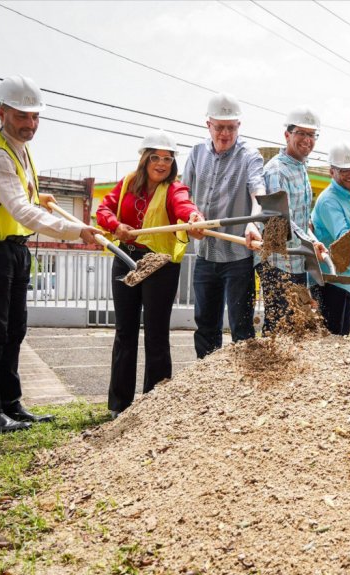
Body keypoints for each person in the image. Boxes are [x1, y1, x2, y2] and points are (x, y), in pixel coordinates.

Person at [0, 75, 101, 434]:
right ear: (1, 113)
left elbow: (18, 195)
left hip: (12, 247)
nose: (30, 123)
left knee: (14, 330)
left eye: (34, 116)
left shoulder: (17, 146)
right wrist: (77, 231)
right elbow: (22, 211)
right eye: (21, 116)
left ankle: (11, 404)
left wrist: (37, 195)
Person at [96, 130, 204, 417]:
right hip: (126, 258)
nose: (161, 164)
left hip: (160, 265)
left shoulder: (174, 188)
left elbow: (184, 206)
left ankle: (155, 405)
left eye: (167, 159)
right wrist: (116, 225)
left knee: (156, 332)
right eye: (155, 157)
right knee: (125, 331)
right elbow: (104, 209)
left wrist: (194, 218)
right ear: (144, 159)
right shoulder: (127, 183)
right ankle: (119, 405)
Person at [184, 93, 265, 358]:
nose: (225, 134)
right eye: (219, 127)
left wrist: (253, 223)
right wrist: (191, 216)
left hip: (238, 257)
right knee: (205, 326)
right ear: (208, 124)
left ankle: (243, 379)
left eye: (231, 127)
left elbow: (258, 192)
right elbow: (183, 194)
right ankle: (206, 376)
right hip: (205, 254)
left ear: (239, 126)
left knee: (242, 328)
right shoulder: (197, 153)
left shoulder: (249, 156)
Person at [259, 106, 327, 334]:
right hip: (278, 262)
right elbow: (282, 218)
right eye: (301, 133)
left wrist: (313, 240)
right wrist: (309, 242)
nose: (307, 140)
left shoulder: (301, 168)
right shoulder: (277, 171)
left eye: (312, 134)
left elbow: (302, 219)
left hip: (297, 260)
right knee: (278, 325)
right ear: (287, 134)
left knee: (295, 326)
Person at [310, 142, 350, 335]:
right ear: (332, 172)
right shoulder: (329, 200)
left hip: (345, 280)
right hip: (329, 281)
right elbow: (344, 239)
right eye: (344, 170)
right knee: (330, 340)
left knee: (342, 337)